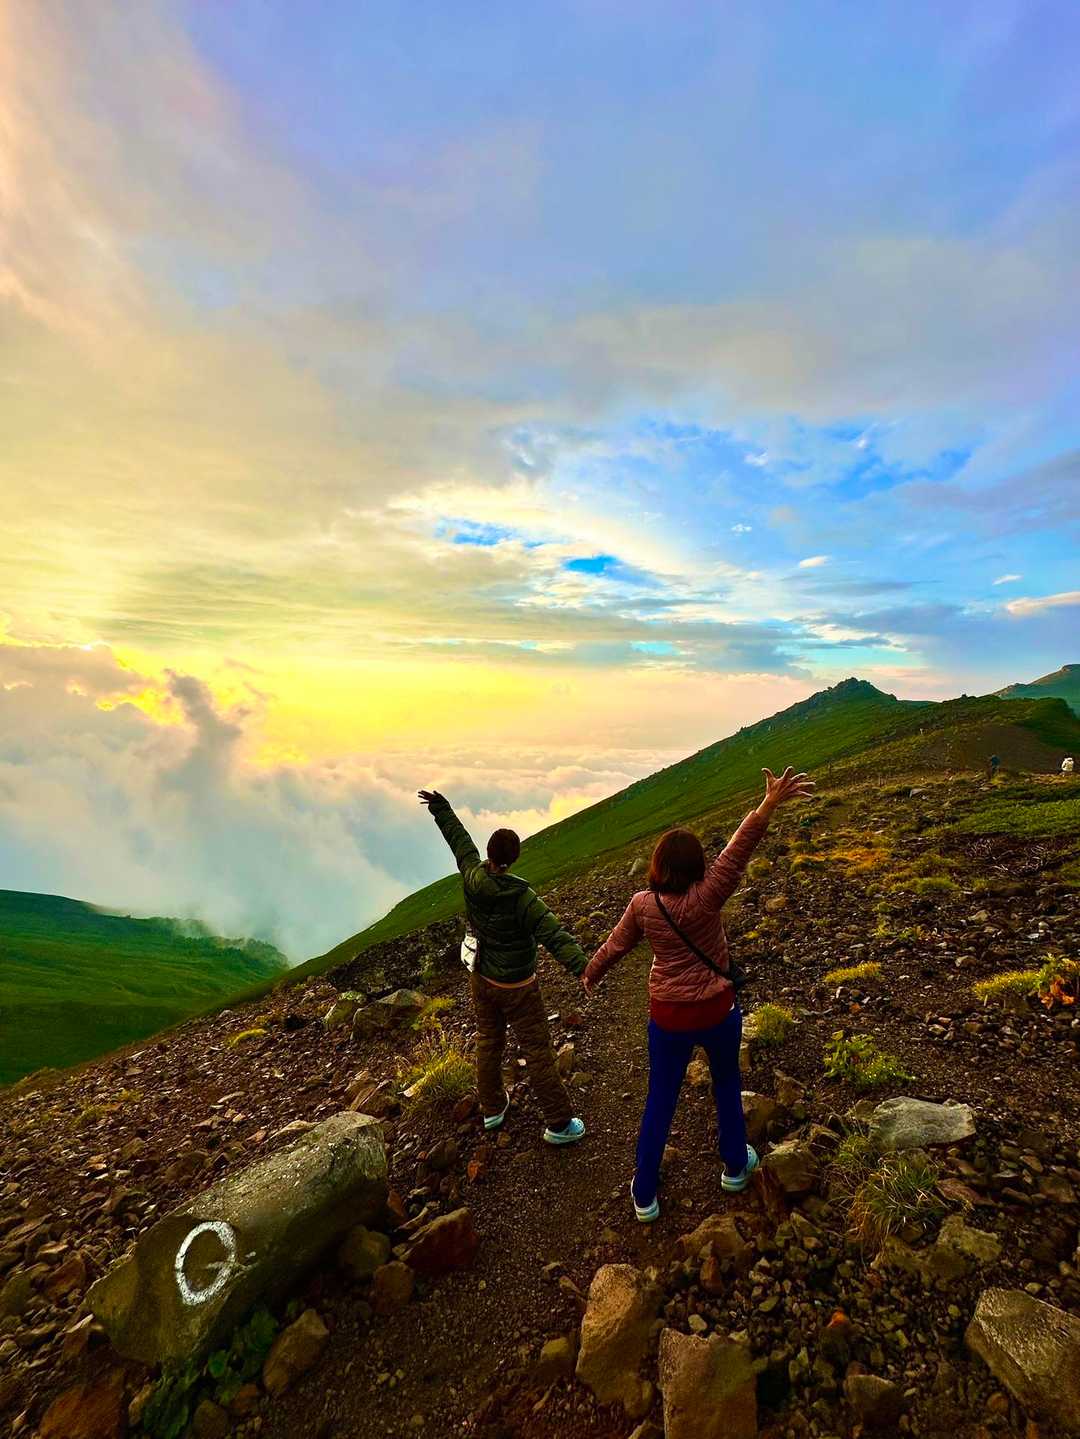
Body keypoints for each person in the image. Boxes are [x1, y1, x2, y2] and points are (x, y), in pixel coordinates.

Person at [582, 766, 814, 1222]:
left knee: (660, 1098)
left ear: (657, 866)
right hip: (717, 1010)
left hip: (669, 1017)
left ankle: (644, 1193)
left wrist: (592, 973)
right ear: (696, 867)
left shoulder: (642, 905)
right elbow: (738, 851)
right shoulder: (710, 894)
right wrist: (768, 803)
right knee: (726, 1084)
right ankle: (734, 1166)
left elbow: (616, 945)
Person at [419, 789, 588, 1145]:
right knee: (537, 1051)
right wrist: (585, 969)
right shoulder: (522, 898)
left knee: (488, 1041)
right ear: (513, 859)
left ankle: (493, 1108)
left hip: (481, 977)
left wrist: (440, 807)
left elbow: (460, 842)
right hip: (518, 987)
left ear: (489, 853)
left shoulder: (472, 876)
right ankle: (559, 1124)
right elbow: (555, 935)